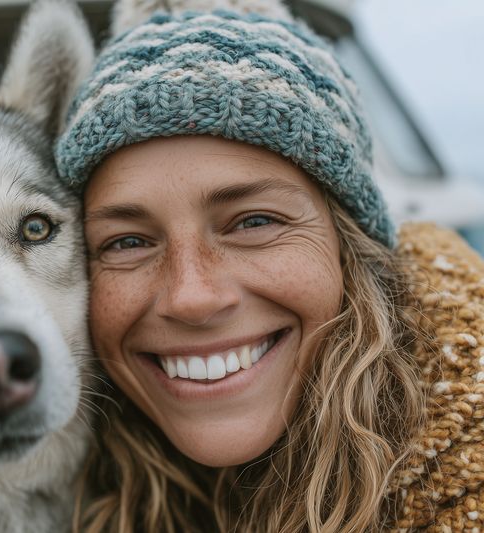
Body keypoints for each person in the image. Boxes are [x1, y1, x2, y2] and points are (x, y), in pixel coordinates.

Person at [54, 0, 484, 531]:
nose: (192, 296)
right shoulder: (55, 490)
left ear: (352, 248)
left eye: (253, 222)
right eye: (126, 242)